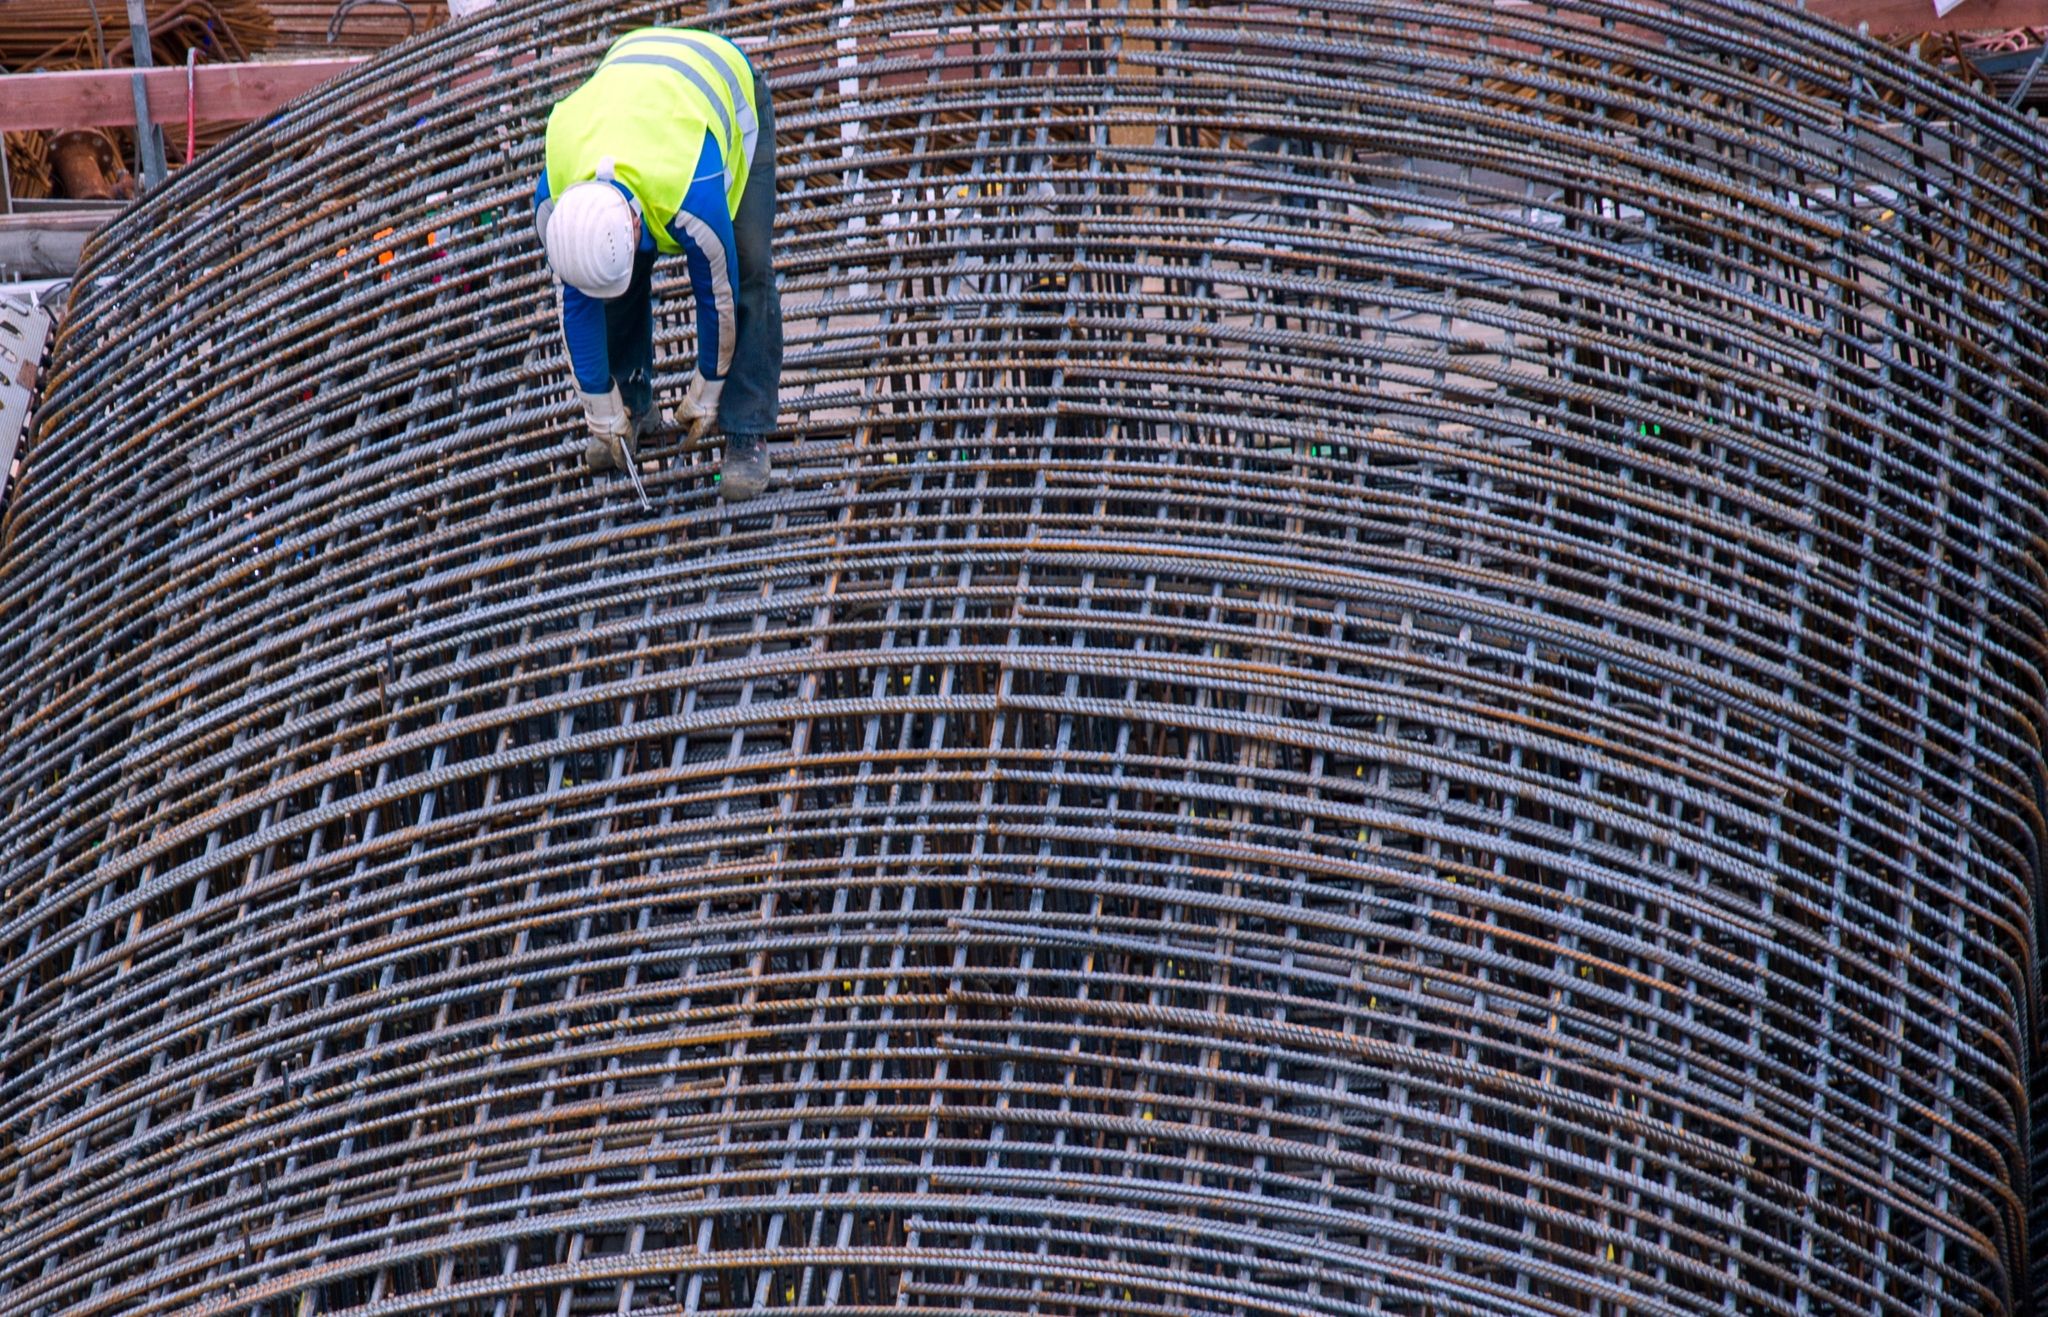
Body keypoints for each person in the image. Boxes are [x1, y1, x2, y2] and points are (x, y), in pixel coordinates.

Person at [533, 27, 781, 500]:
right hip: (632, 78)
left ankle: (746, 431)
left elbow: (719, 299)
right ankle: (631, 405)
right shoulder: (555, 205)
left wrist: (706, 394)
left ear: (634, 225)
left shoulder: (691, 193)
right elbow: (575, 304)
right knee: (610, 285)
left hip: (722, 86)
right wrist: (600, 410)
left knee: (748, 267)